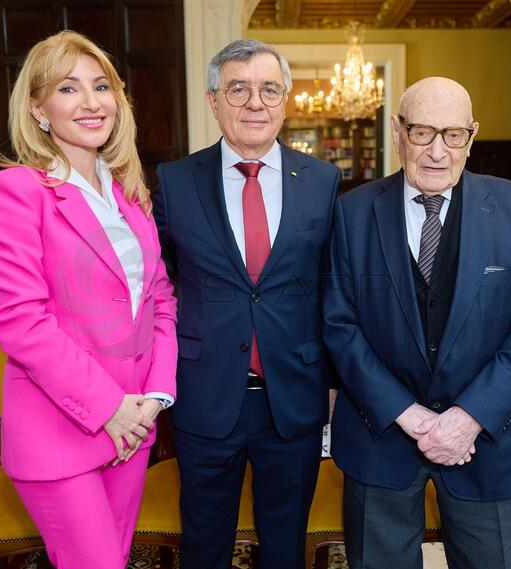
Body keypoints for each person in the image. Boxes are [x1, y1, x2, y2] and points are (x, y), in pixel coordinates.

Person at [323, 77, 511, 568]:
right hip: (381, 437)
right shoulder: (350, 213)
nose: (437, 152)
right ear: (397, 131)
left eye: (453, 135)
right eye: (423, 132)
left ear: (471, 137)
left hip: (489, 442)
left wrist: (467, 418)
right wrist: (409, 414)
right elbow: (340, 325)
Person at [0, 30, 177, 569]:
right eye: (68, 89)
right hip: (62, 428)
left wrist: (156, 395)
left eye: (101, 86)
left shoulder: (130, 195)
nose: (91, 102)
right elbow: (21, 321)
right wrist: (108, 407)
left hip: (132, 424)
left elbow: (160, 299)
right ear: (39, 109)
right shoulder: (17, 189)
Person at [154, 39, 341, 569]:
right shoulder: (175, 180)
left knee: (286, 544)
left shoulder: (323, 181)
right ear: (214, 101)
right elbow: (160, 286)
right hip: (205, 392)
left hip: (294, 395)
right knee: (204, 542)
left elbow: (333, 286)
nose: (255, 102)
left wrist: (332, 381)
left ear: (285, 101)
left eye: (269, 89)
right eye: (239, 89)